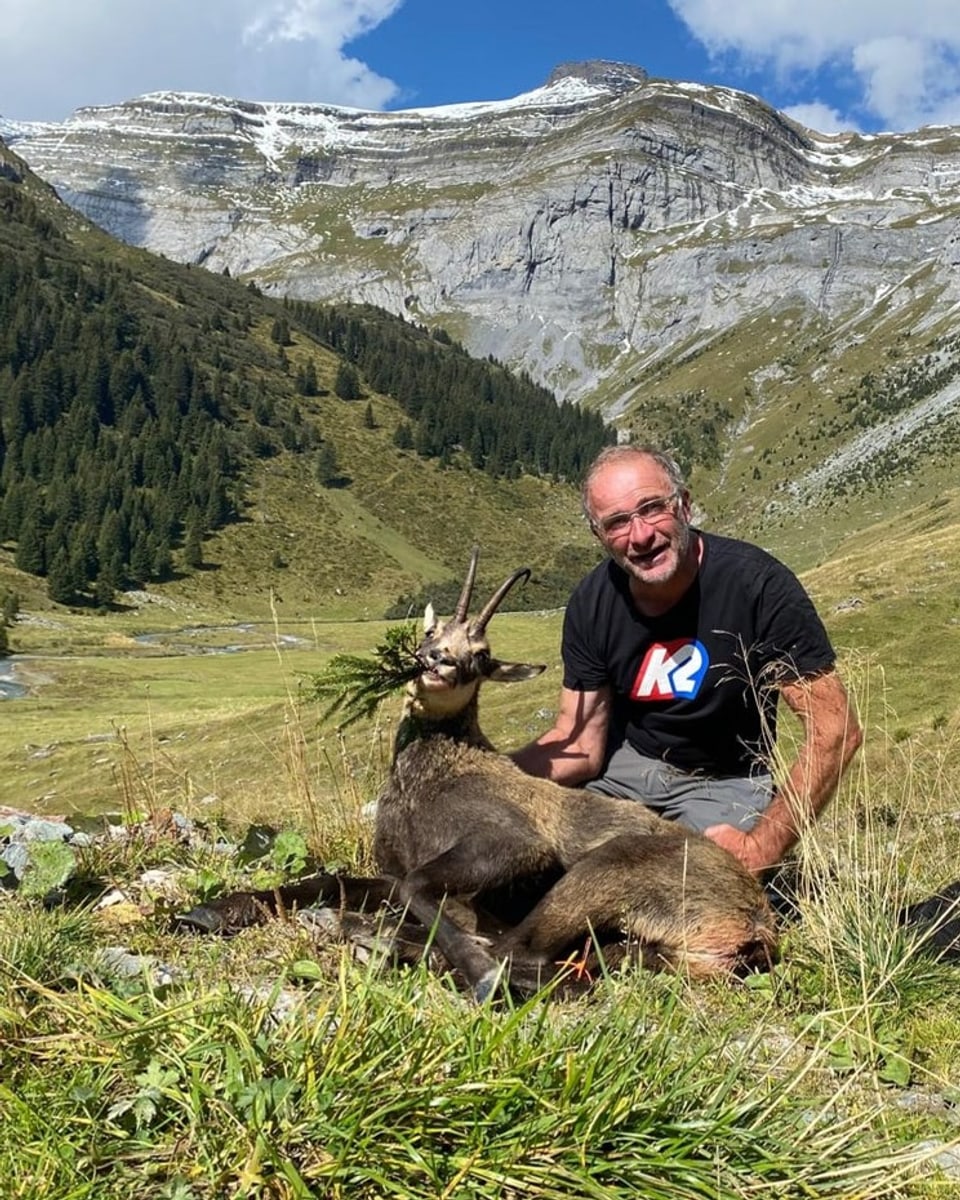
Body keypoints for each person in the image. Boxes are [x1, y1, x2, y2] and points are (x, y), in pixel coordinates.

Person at [513, 444, 862, 875]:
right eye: (617, 523)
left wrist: (761, 847)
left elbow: (836, 728)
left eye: (652, 508)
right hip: (624, 772)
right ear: (598, 536)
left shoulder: (757, 587)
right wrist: (485, 777)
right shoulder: (591, 602)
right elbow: (579, 743)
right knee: (527, 867)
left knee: (691, 889)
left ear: (685, 506)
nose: (640, 535)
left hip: (724, 782)